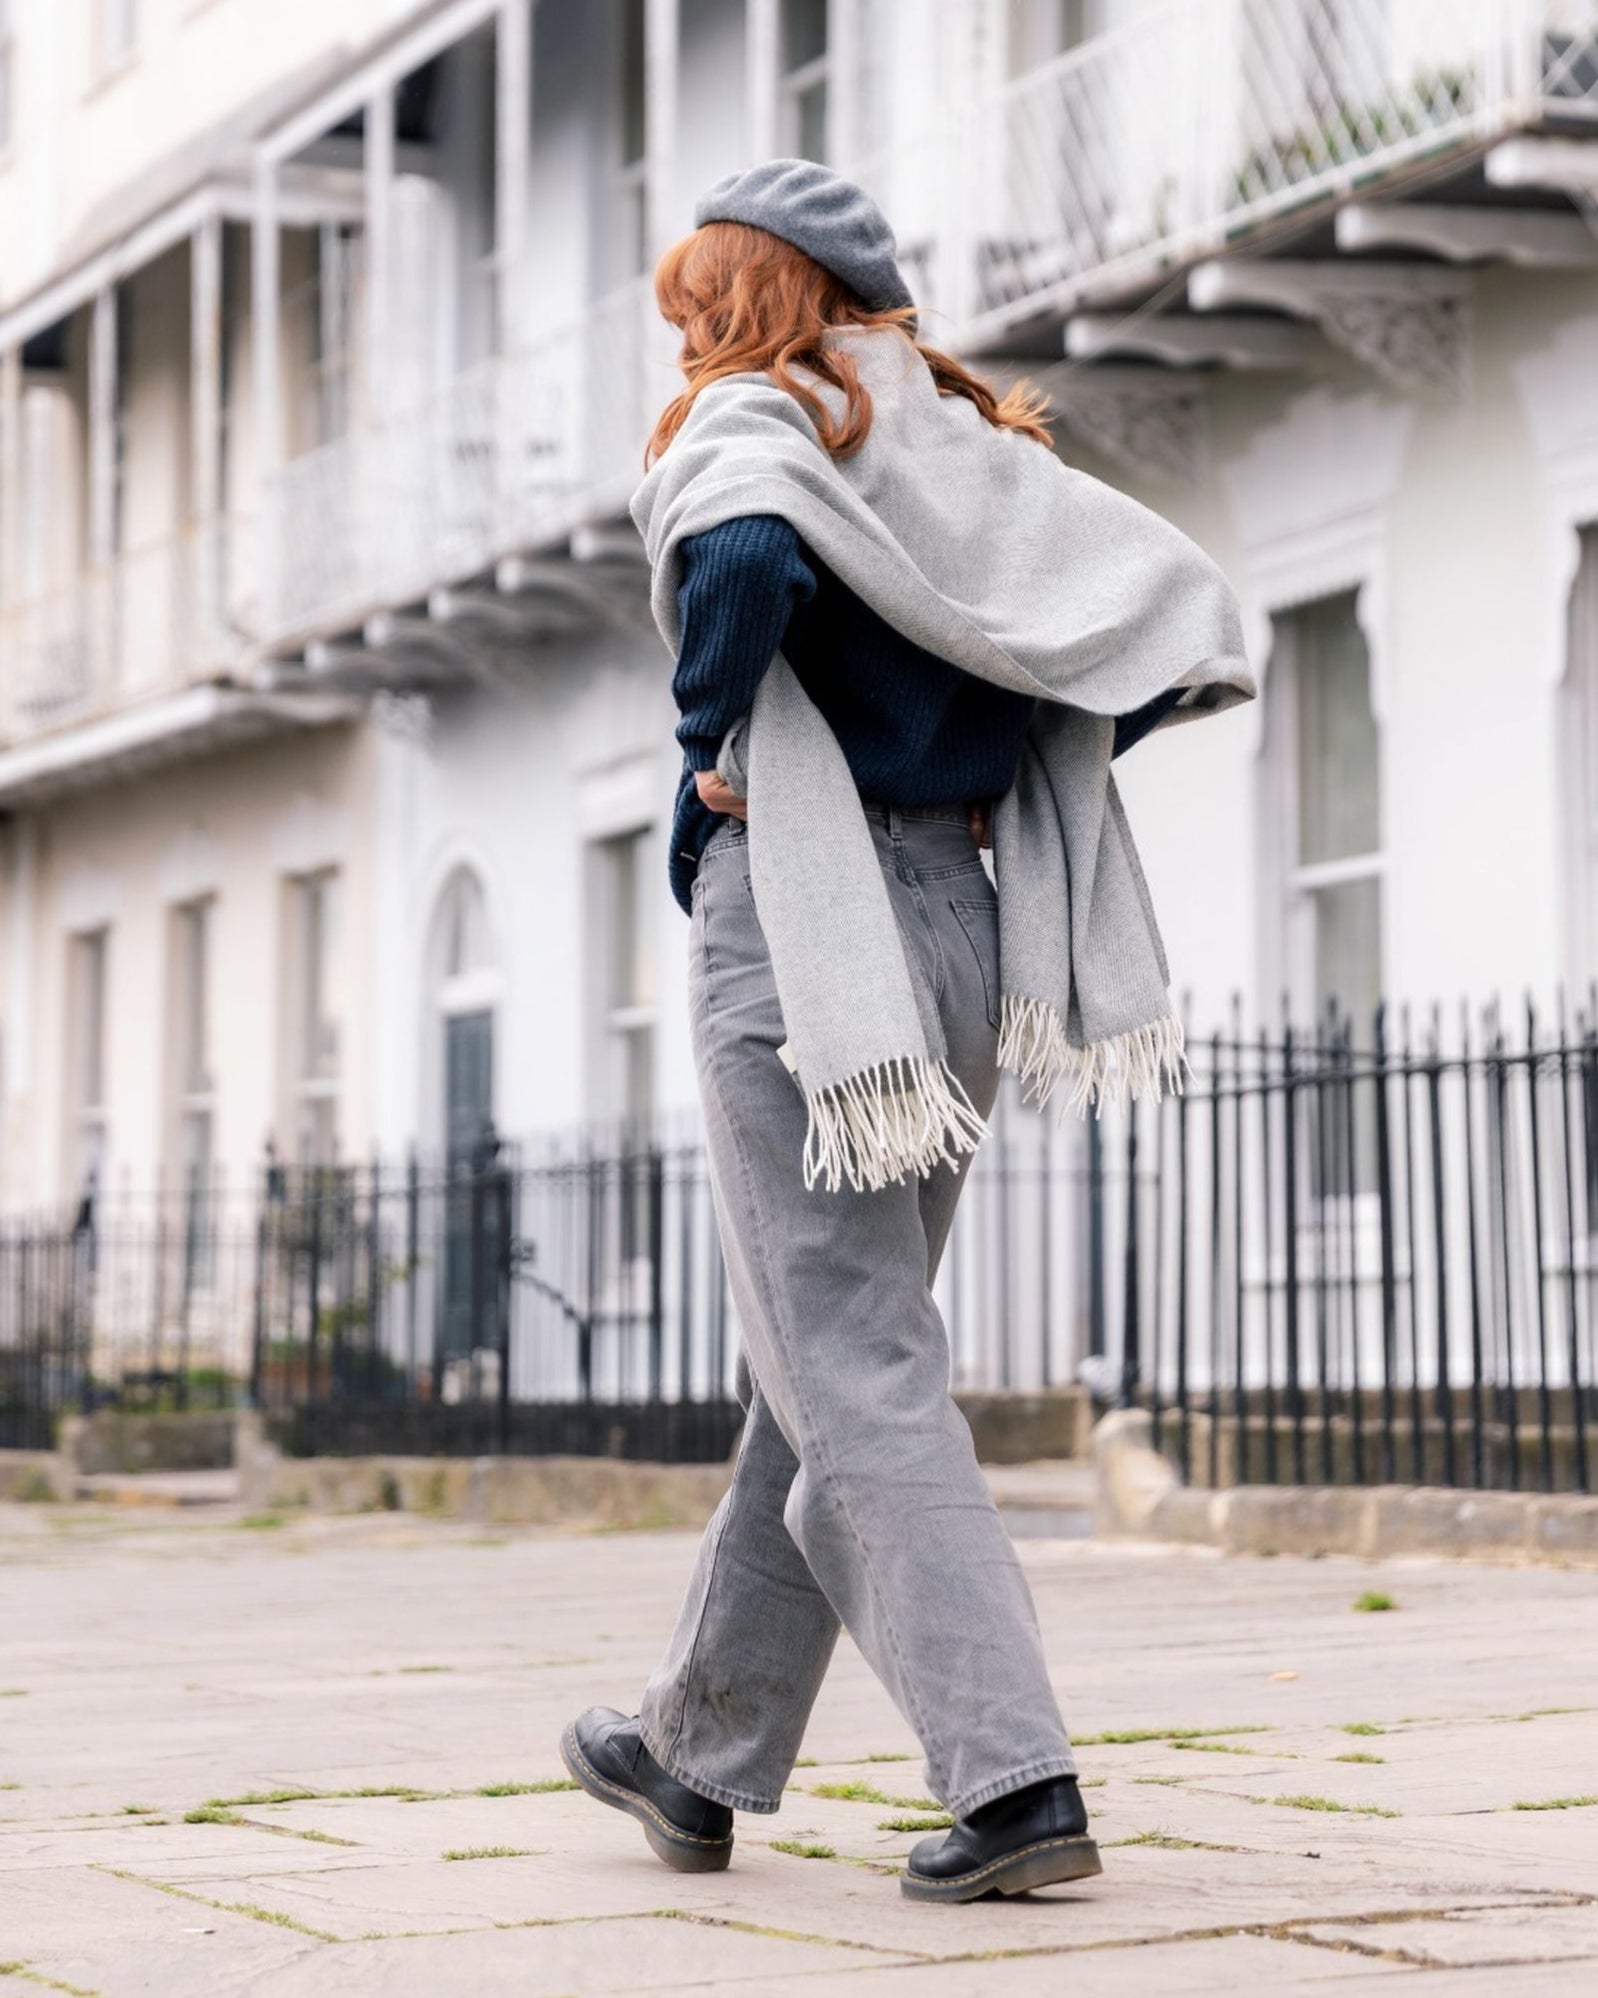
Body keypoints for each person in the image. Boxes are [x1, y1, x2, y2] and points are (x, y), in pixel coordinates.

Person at [562, 160, 1250, 1903]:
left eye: (691, 303)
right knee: (830, 1352)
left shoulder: (757, 421)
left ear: (741, 294)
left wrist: (715, 728)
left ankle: (1013, 1779)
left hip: (804, 929)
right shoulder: (969, 451)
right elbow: (1164, 626)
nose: (685, 337)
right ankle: (696, 1747)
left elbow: (729, 558)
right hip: (955, 924)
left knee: (848, 1356)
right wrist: (1014, 759)